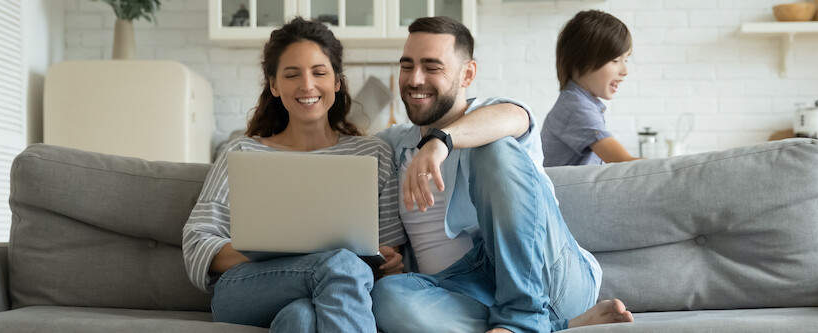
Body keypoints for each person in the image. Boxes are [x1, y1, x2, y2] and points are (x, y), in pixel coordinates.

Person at [369, 16, 634, 333]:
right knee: (386, 298)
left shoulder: (494, 113)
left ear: (468, 74)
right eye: (407, 66)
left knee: (494, 147)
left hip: (550, 275)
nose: (415, 79)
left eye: (432, 67)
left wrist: (441, 141)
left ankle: (522, 318)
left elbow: (514, 117)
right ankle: (556, 326)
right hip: (466, 289)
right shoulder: (393, 144)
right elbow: (343, 152)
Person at [180, 18, 406, 331]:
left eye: (319, 72)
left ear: (337, 81)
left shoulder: (373, 155)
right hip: (247, 290)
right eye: (292, 74)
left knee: (300, 318)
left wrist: (390, 259)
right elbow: (197, 244)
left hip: (337, 289)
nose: (307, 85)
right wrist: (285, 252)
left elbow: (392, 250)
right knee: (339, 265)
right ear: (274, 85)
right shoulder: (241, 153)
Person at [541, 10, 639, 167]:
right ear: (580, 62)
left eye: (625, 59)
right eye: (615, 60)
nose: (625, 70)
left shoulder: (580, 103)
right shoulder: (577, 109)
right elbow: (625, 164)